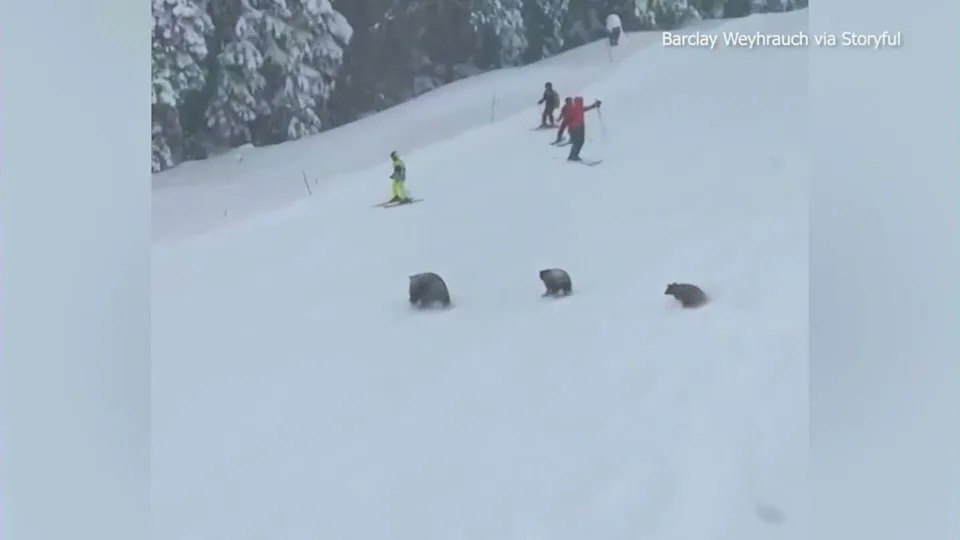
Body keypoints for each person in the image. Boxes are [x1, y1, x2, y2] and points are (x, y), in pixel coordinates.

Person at [565, 96, 601, 161]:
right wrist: (570, 131)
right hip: (575, 128)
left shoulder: (580, 108)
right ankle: (573, 156)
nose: (580, 103)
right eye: (579, 102)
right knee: (577, 143)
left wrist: (595, 105)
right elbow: (568, 120)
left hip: (580, 127)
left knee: (580, 142)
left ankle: (573, 155)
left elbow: (589, 107)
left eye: (581, 102)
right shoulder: (573, 109)